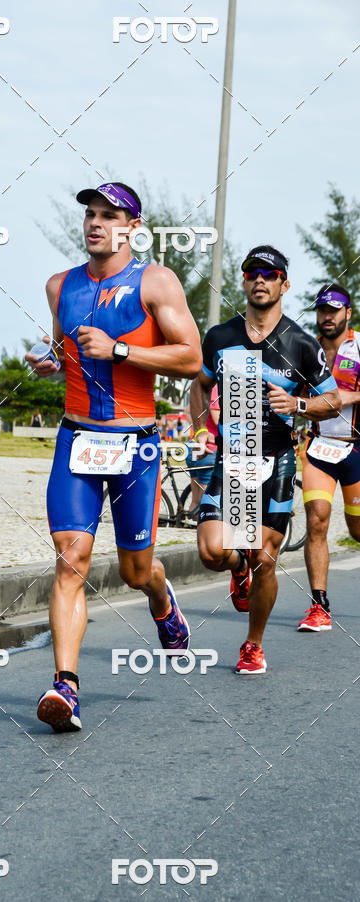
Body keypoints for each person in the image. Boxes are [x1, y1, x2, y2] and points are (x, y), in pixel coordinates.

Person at [25, 181, 202, 731]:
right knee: (70, 559)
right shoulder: (60, 285)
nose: (96, 223)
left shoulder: (156, 281)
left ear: (133, 228)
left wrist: (121, 349)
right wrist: (53, 361)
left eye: (109, 215)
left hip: (135, 443)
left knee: (135, 571)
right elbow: (65, 346)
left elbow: (192, 358)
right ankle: (66, 687)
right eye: (90, 215)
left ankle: (161, 600)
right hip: (76, 438)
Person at [189, 245, 341, 674]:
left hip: (276, 459)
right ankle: (237, 568)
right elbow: (199, 385)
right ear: (244, 281)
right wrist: (200, 430)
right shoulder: (220, 337)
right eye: (252, 272)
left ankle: (252, 645)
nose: (260, 279)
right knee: (212, 551)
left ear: (283, 285)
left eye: (269, 274)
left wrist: (298, 405)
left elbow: (332, 399)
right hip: (232, 457)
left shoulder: (301, 344)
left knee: (266, 559)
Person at [298, 284, 360, 631]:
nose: (327, 316)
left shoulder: (359, 345)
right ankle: (319, 606)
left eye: (334, 311)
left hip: (356, 447)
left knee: (357, 530)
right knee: (317, 519)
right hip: (319, 447)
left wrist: (347, 397)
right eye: (322, 310)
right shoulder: (307, 349)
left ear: (347, 313)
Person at [184, 384, 220, 513]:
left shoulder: (206, 387)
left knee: (196, 501)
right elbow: (217, 418)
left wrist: (199, 429)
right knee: (208, 504)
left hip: (194, 445)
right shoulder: (217, 388)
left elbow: (188, 410)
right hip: (208, 449)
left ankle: (186, 523)